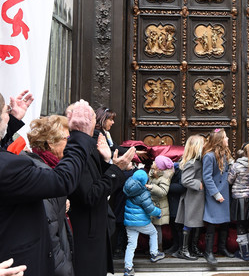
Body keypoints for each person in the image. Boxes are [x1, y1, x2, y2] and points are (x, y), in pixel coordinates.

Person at [0, 98, 96, 276]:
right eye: (6, 111)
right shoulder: (23, 166)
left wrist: (11, 121)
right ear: (51, 143)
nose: (9, 114)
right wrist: (81, 135)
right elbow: (63, 180)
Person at [68, 113, 136, 276]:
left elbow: (97, 180)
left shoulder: (87, 148)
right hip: (85, 233)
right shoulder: (77, 154)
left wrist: (107, 161)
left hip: (96, 228)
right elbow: (91, 193)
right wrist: (115, 169)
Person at [24, 115, 75, 276]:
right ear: (51, 142)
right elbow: (50, 229)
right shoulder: (42, 173)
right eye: (67, 138)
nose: (70, 144)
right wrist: (64, 268)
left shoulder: (51, 167)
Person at [202, 128, 235, 266]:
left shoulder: (225, 154)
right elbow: (207, 177)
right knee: (211, 223)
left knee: (225, 222)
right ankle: (208, 251)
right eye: (225, 137)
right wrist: (216, 194)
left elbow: (227, 172)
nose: (228, 139)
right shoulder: (209, 156)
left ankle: (222, 248)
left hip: (225, 192)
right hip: (215, 194)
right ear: (220, 140)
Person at [123, 169, 164, 276]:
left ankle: (128, 268)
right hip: (141, 222)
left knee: (131, 244)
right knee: (153, 233)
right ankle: (154, 253)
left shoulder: (128, 188)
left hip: (129, 222)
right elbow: (150, 209)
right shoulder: (143, 193)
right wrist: (159, 212)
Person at [229, 140, 249, 261]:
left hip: (239, 198)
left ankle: (244, 253)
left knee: (240, 225)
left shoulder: (236, 166)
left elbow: (230, 180)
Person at [176, 135, 205, 260]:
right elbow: (186, 180)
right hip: (192, 197)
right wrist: (199, 184)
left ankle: (193, 248)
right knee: (189, 222)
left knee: (197, 223)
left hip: (198, 197)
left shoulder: (198, 161)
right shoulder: (192, 162)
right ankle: (184, 250)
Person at [147, 155, 174, 258]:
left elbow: (163, 192)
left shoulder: (164, 178)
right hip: (152, 205)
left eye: (155, 162)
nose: (153, 162)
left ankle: (158, 248)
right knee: (151, 227)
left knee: (157, 228)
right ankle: (152, 248)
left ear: (159, 166)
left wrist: (152, 187)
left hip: (159, 206)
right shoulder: (154, 173)